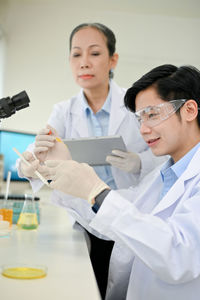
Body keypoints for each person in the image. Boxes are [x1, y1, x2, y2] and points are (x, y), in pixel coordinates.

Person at [18, 23, 165, 300]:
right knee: (84, 284)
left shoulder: (134, 103)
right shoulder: (64, 111)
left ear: (113, 60)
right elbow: (38, 147)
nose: (84, 62)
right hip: (84, 215)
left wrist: (140, 163)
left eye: (94, 53)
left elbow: (167, 154)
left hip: (130, 208)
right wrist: (28, 163)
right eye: (76, 55)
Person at [45, 64, 200, 300]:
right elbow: (114, 218)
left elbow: (179, 256)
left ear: (189, 110)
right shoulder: (164, 175)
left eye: (152, 114)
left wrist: (97, 192)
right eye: (139, 119)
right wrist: (53, 172)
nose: (144, 129)